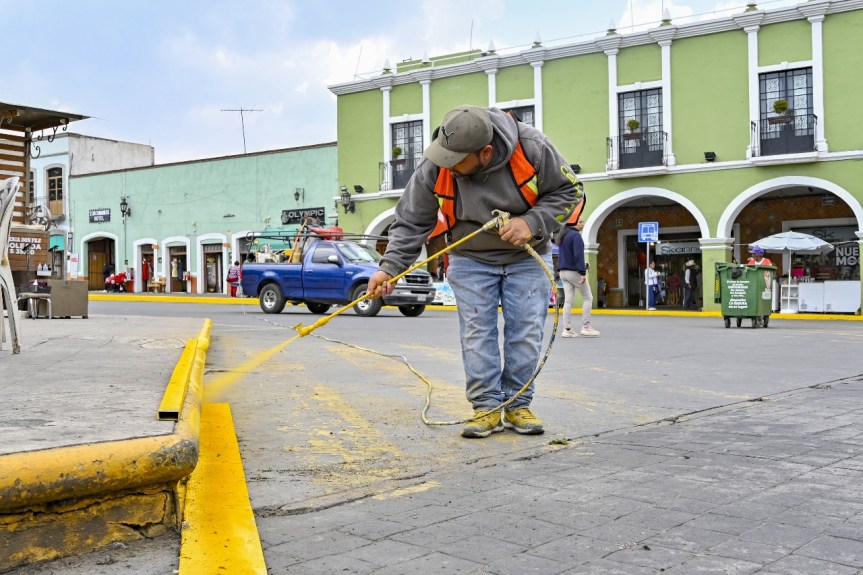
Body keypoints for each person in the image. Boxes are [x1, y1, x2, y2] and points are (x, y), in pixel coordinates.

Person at [366, 105, 583, 439]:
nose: (448, 166)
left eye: (457, 160)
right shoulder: (436, 164)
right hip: (469, 259)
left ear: (485, 152)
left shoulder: (533, 147)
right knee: (476, 334)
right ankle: (486, 408)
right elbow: (411, 221)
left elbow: (571, 191)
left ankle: (517, 404)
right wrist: (390, 267)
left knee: (524, 333)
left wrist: (531, 222)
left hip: (526, 257)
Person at [556, 217, 599, 338]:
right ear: (572, 222)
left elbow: (568, 257)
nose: (583, 224)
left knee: (568, 301)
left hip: (563, 272)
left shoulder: (563, 236)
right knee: (588, 297)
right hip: (573, 272)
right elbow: (578, 255)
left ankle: (567, 329)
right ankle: (586, 327)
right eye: (580, 221)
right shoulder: (576, 236)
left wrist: (584, 266)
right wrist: (582, 272)